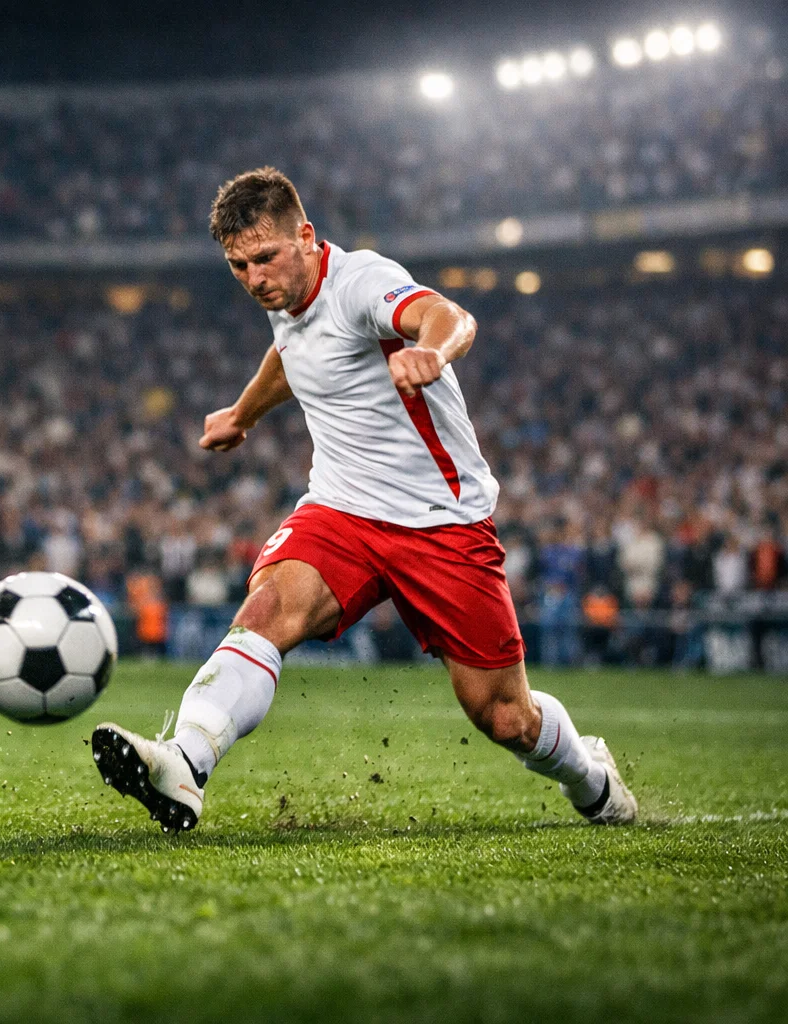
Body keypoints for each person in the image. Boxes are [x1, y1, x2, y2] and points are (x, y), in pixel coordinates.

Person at [90, 168, 636, 832]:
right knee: (267, 610)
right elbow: (290, 357)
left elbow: (448, 315)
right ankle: (185, 763)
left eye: (265, 257)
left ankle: (591, 778)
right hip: (342, 510)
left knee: (505, 718)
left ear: (308, 237)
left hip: (441, 525)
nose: (255, 277)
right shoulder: (287, 306)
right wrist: (242, 414)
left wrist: (432, 352)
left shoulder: (360, 282)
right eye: (239, 266)